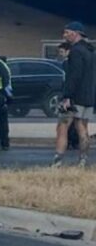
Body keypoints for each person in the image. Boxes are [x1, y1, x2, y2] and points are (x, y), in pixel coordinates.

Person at [53, 21, 94, 168]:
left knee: (62, 127)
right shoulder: (91, 50)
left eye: (66, 32)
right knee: (82, 128)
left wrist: (67, 96)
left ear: (75, 33)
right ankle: (83, 161)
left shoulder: (76, 51)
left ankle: (57, 162)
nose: (64, 36)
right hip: (88, 96)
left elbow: (74, 76)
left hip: (74, 97)